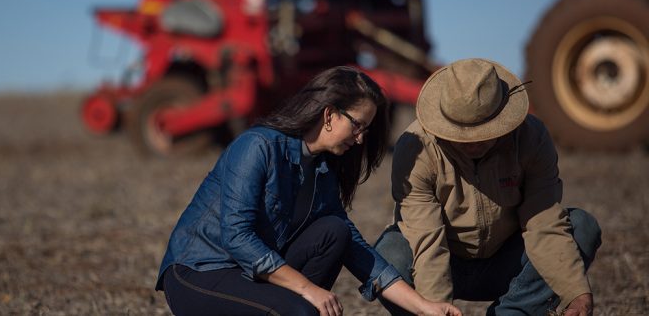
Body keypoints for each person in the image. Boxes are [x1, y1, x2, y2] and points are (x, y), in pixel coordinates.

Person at [155, 66, 462, 316]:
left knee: (335, 231)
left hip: (251, 275)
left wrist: (423, 307)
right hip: (200, 271)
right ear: (329, 115)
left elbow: (356, 250)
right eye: (357, 126)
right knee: (300, 310)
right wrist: (306, 288)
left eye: (365, 131)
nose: (359, 139)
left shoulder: (322, 168)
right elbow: (237, 236)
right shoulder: (257, 146)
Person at [374, 58, 602, 315]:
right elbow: (427, 243)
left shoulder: (531, 138)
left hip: (507, 261)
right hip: (445, 260)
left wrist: (576, 291)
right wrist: (435, 307)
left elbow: (544, 222)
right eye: (462, 135)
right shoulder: (416, 148)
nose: (472, 143)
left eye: (483, 132)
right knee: (389, 254)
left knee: (582, 226)